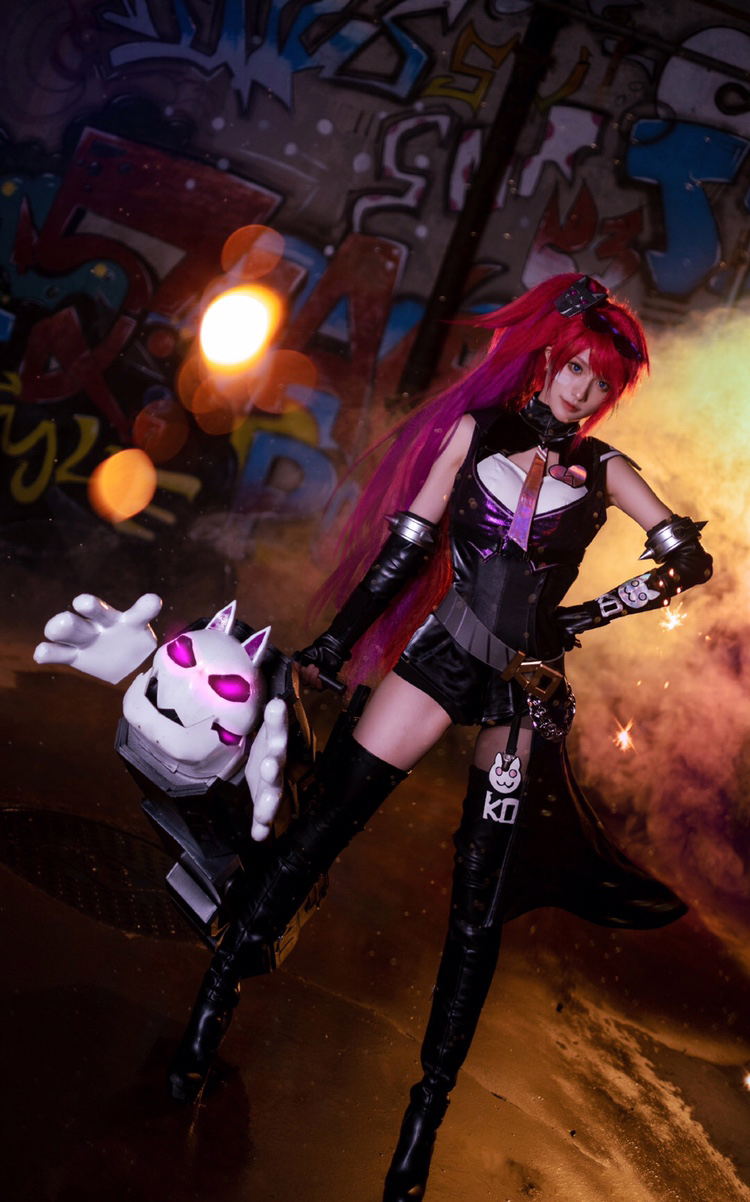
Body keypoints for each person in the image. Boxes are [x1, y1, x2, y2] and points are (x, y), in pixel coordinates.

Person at [167, 273, 712, 1201]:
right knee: (322, 828)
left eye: (602, 380)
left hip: (524, 692)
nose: (583, 390)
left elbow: (686, 559)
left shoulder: (607, 468)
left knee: (477, 903)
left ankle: (423, 1122)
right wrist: (336, 645)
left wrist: (584, 617)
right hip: (443, 659)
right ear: (549, 359)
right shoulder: (477, 433)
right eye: (575, 369)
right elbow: (408, 548)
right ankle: (211, 1007)